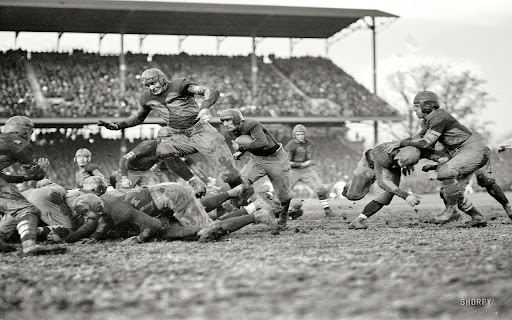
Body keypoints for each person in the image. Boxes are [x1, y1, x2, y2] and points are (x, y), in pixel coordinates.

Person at [97, 68, 244, 199]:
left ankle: (244, 196)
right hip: (179, 135)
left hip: (201, 130)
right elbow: (138, 118)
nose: (151, 88)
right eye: (148, 85)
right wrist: (117, 126)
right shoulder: (146, 98)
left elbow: (210, 91)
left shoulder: (179, 85)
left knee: (230, 175)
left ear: (162, 79)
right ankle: (193, 182)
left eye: (153, 83)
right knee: (163, 150)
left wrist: (205, 107)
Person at [384, 91, 512, 225]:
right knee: (448, 192)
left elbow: (425, 143)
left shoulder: (439, 118)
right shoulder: (427, 121)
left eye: (416, 106)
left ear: (426, 106)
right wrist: (399, 149)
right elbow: (416, 139)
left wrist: (401, 143)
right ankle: (477, 217)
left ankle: (453, 211)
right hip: (462, 153)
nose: (414, 109)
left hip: (474, 149)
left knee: (483, 180)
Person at [50, 176, 277, 244]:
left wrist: (138, 239)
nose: (86, 218)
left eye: (85, 213)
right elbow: (99, 222)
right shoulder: (104, 203)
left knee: (209, 230)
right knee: (201, 224)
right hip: (166, 196)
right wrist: (92, 237)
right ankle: (252, 208)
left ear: (93, 206)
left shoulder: (116, 209)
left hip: (172, 197)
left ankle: (256, 216)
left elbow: (154, 225)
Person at [0, 115, 66, 255]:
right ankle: (29, 244)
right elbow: (36, 174)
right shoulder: (18, 143)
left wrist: (25, 178)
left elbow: (4, 177)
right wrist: (40, 172)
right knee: (27, 210)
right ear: (25, 132)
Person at [220, 109, 294, 230]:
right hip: (257, 159)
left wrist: (242, 147)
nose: (225, 124)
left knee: (284, 196)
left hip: (276, 159)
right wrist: (241, 152)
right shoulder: (232, 130)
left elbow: (262, 142)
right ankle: (237, 208)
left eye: (228, 120)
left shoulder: (251, 124)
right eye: (223, 121)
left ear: (237, 119)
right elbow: (247, 142)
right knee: (240, 182)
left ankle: (284, 215)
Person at [343, 143, 423, 229]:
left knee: (384, 198)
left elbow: (433, 152)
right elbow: (383, 182)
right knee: (353, 196)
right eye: (402, 163)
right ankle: (350, 185)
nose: (404, 165)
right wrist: (405, 196)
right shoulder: (383, 157)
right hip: (370, 164)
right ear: (398, 156)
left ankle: (358, 220)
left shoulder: (416, 150)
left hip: (391, 167)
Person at [284, 124, 344, 219]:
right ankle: (283, 213)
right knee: (285, 193)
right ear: (294, 135)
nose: (300, 136)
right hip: (294, 170)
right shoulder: (291, 145)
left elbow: (312, 155)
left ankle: (328, 211)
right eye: (298, 134)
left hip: (307, 170)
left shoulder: (310, 143)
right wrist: (301, 164)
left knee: (321, 190)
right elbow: (287, 162)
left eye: (302, 134)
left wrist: (312, 162)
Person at [117, 137, 204, 194]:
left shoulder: (170, 148)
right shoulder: (147, 146)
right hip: (130, 171)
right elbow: (123, 159)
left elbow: (187, 158)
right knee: (123, 194)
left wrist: (195, 172)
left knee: (156, 192)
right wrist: (125, 178)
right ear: (160, 140)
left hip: (146, 171)